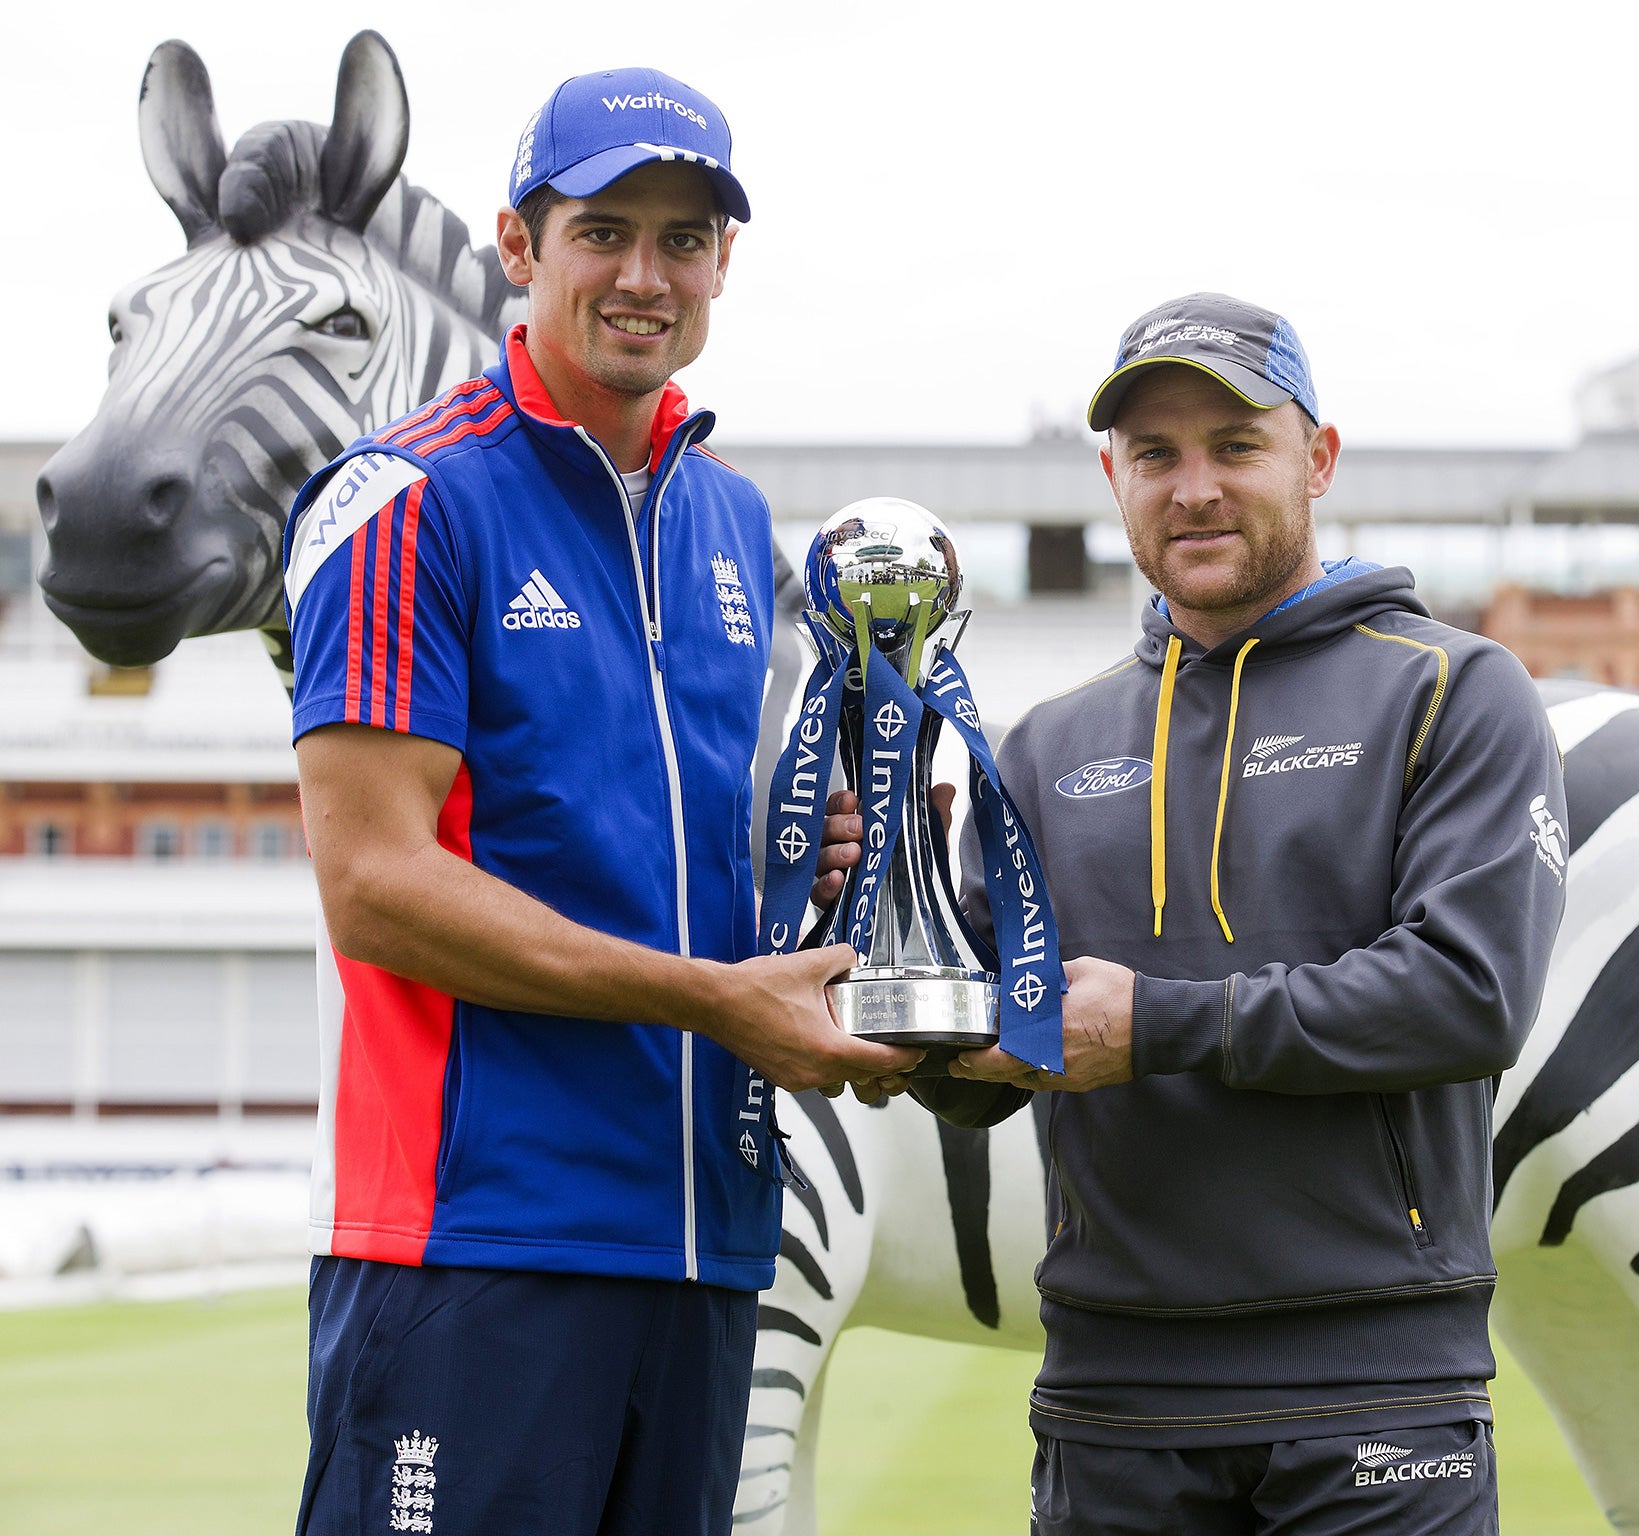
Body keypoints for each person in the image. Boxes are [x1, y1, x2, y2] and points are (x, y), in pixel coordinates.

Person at [281, 68, 917, 1536]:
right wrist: (711, 996)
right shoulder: (399, 499)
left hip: (703, 1248)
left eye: (684, 238)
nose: (646, 274)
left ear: (723, 265)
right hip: (472, 1243)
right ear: (520, 245)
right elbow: (373, 884)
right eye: (604, 229)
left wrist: (805, 855)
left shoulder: (734, 519)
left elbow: (657, 855)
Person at [911, 293, 1566, 1533]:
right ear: (1113, 476)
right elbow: (983, 1064)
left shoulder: (1452, 691)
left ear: (1315, 458)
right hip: (1111, 1394)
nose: (1192, 488)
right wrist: (898, 972)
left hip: (1375, 1387)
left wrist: (1159, 1025)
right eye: (1154, 454)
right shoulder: (1048, 748)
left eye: (1233, 445)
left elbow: (1468, 994)